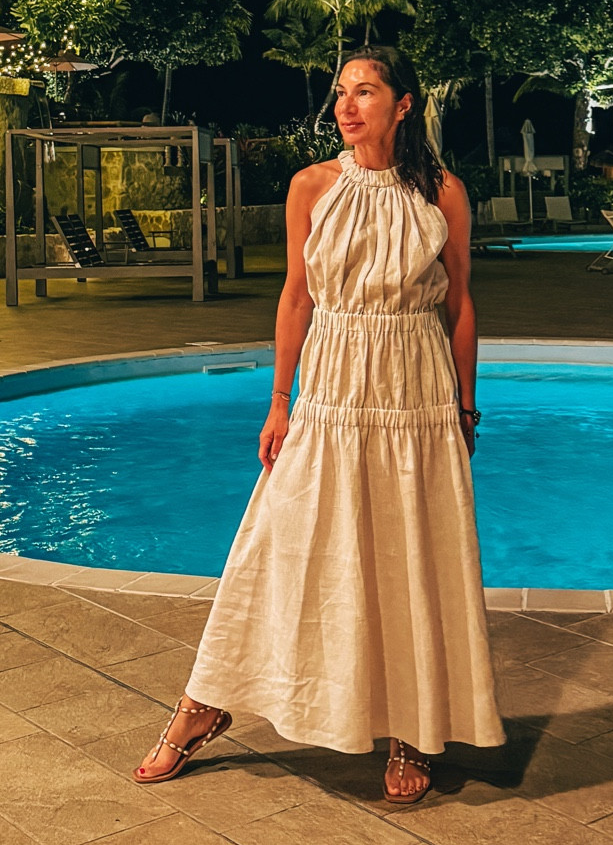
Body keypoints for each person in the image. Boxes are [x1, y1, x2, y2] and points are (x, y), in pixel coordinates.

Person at [133, 46, 505, 804]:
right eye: (341, 92)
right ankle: (204, 702)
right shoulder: (312, 186)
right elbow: (297, 297)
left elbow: (459, 302)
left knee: (409, 548)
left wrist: (466, 407)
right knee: (277, 539)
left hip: (415, 386)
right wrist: (279, 401)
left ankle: (410, 726)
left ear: (403, 104)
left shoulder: (443, 193)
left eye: (365, 91)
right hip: (331, 383)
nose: (347, 105)